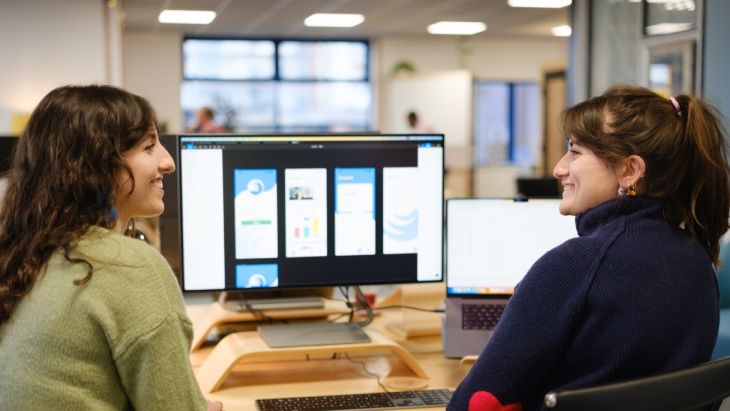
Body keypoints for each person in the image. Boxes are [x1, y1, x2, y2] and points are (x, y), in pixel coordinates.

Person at [448, 85, 729, 411]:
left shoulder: (574, 266)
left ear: (629, 171)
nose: (558, 168)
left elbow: (471, 405)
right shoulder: (696, 259)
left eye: (575, 152)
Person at [0, 85, 222, 411]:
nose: (168, 162)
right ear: (97, 165)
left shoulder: (27, 254)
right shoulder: (129, 266)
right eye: (149, 147)